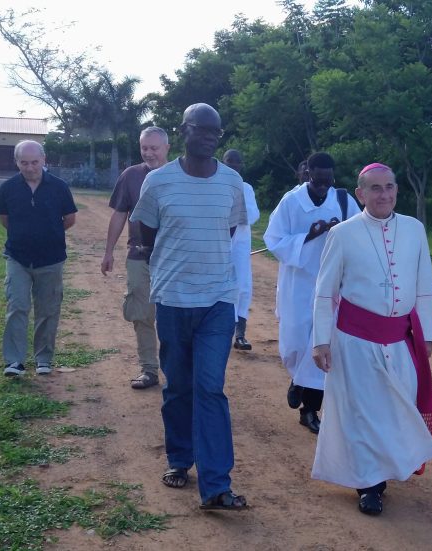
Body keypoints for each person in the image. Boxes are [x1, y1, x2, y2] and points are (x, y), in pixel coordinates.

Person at [130, 103, 248, 511]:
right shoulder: (159, 181)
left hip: (218, 301)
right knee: (178, 385)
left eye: (217, 131)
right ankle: (179, 458)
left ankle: (216, 484)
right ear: (184, 130)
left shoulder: (232, 181)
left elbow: (226, 231)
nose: (210, 137)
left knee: (210, 388)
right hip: (173, 300)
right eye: (202, 129)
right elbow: (146, 232)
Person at [311, 163, 432, 516]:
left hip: (400, 340)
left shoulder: (413, 229)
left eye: (389, 187)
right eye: (375, 188)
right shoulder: (343, 234)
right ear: (360, 194)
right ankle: (370, 484)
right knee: (364, 413)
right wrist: (321, 340)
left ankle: (385, 469)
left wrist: (429, 333)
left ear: (397, 190)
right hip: (355, 341)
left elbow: (424, 283)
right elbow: (324, 292)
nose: (384, 194)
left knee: (396, 409)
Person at [263, 152, 354, 434]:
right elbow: (273, 240)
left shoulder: (343, 201)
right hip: (298, 284)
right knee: (294, 344)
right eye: (319, 180)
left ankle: (310, 410)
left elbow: (358, 233)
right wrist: (309, 236)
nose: (324, 186)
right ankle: (298, 379)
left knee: (324, 344)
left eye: (329, 181)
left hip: (331, 284)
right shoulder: (291, 202)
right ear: (308, 174)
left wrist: (339, 233)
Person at [0, 140, 77, 377]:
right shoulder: (7, 188)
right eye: (24, 163)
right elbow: (5, 220)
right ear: (16, 162)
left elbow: (69, 219)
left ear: (43, 160)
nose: (30, 167)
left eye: (34, 162)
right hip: (17, 257)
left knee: (48, 310)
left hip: (51, 259)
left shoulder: (59, 187)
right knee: (17, 306)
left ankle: (43, 359)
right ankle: (14, 361)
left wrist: (48, 235)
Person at [100, 127, 171, 389]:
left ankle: (177, 371)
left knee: (174, 316)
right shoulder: (130, 176)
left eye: (154, 148)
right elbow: (120, 214)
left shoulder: (180, 175)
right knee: (142, 313)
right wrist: (108, 251)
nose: (149, 153)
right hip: (139, 255)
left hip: (174, 260)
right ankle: (149, 369)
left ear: (167, 148)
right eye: (144, 148)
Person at [222, 149, 261, 350]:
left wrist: (235, 210)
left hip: (241, 242)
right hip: (219, 241)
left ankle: (240, 334)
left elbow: (253, 215)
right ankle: (222, 332)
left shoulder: (247, 188)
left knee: (243, 285)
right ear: (223, 162)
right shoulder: (216, 185)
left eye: (237, 162)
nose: (234, 165)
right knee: (221, 285)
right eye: (230, 161)